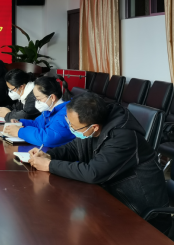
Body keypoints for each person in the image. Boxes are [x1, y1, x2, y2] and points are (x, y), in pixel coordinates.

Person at [29, 92, 172, 236]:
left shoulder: (123, 137)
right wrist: (49, 155)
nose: (70, 128)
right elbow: (75, 147)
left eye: (74, 127)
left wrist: (49, 165)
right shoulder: (92, 122)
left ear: (95, 127)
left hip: (140, 214)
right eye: (69, 122)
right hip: (110, 199)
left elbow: (93, 173)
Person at [2, 75, 75, 148]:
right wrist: (20, 123)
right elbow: (37, 124)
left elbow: (47, 138)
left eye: (39, 99)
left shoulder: (65, 115)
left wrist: (20, 132)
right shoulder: (49, 111)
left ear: (52, 97)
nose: (36, 102)